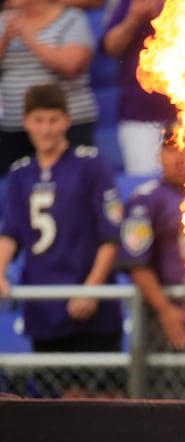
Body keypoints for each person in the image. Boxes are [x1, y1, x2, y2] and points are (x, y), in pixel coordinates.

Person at [0, 84, 124, 398]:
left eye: (53, 120)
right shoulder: (19, 174)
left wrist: (91, 289)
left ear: (67, 121)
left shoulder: (90, 165)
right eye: (39, 120)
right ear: (26, 121)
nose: (46, 129)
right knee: (61, 404)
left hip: (92, 308)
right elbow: (10, 233)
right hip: (44, 306)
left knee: (104, 402)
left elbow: (111, 235)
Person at [116, 124, 185, 400]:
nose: (180, 157)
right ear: (160, 155)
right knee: (169, 399)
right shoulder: (145, 200)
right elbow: (137, 264)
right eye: (172, 149)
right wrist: (165, 309)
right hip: (170, 313)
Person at [0, 0, 99, 175]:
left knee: (72, 185)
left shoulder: (72, 18)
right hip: (14, 126)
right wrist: (5, 38)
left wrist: (29, 38)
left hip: (67, 126)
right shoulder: (4, 21)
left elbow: (72, 65)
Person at [101, 0, 178, 176]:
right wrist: (134, 19)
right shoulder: (129, 3)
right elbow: (110, 47)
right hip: (141, 115)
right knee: (145, 185)